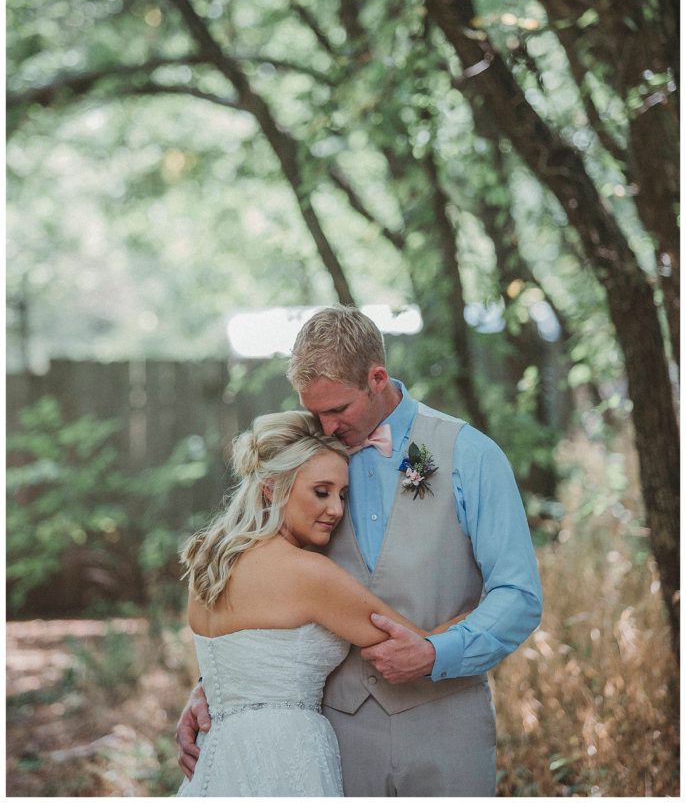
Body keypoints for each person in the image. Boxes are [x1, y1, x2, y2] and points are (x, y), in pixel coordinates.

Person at [177, 305, 543, 796]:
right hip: (333, 735)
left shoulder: (469, 455)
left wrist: (439, 651)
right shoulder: (308, 461)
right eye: (315, 411)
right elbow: (261, 587)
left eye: (337, 410)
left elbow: (518, 595)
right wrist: (222, 688)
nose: (325, 427)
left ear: (376, 378)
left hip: (446, 723)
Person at [176, 409, 471, 797]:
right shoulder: (307, 574)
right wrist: (487, 615)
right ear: (271, 486)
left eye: (343, 495)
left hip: (216, 758)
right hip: (286, 758)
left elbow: (236, 665)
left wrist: (202, 692)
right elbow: (412, 645)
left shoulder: (207, 567)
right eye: (321, 491)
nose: (336, 509)